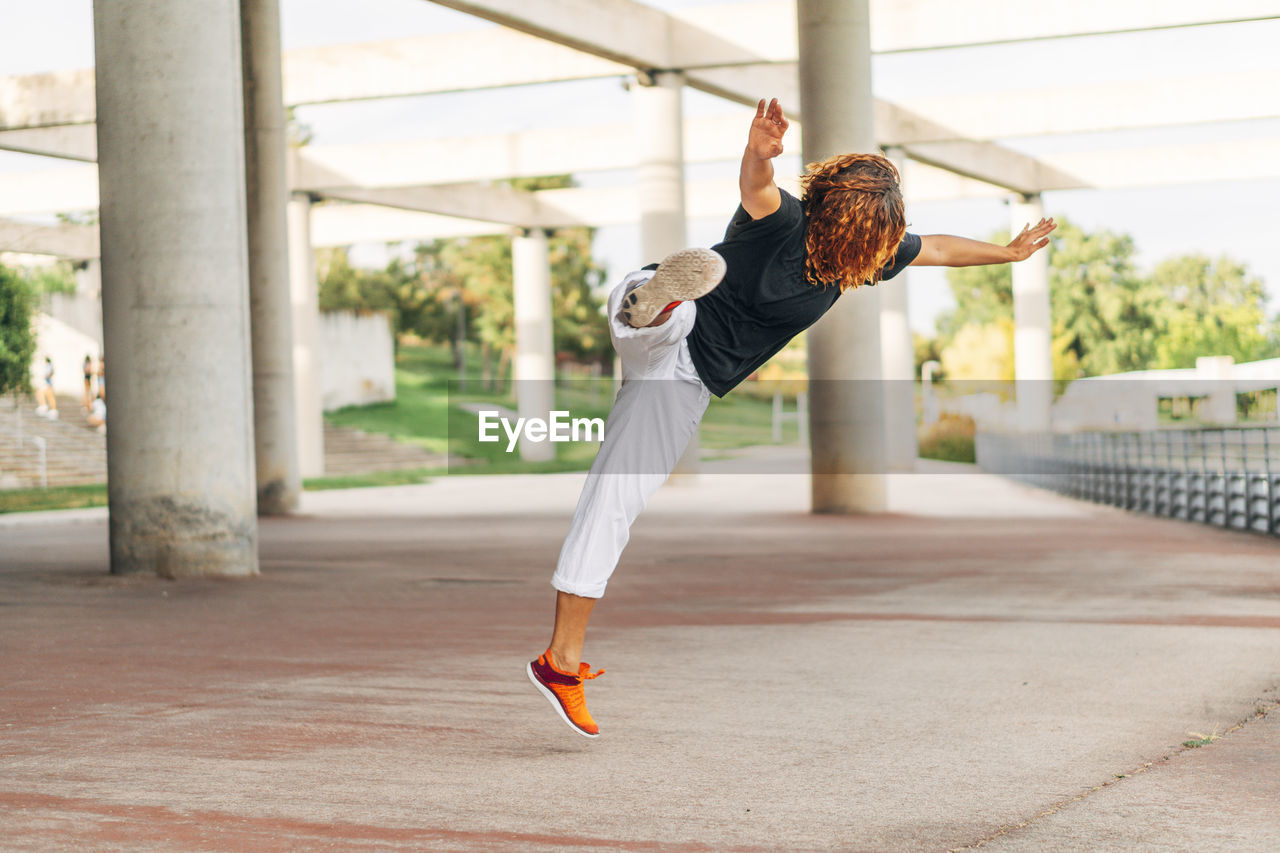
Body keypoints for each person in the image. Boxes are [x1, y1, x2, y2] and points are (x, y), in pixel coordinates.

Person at [526, 98, 1057, 738]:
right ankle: (654, 302)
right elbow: (757, 187)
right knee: (617, 482)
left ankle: (649, 304)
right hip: (685, 348)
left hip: (678, 372)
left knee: (620, 473)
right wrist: (756, 151)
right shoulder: (782, 221)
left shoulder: (866, 257)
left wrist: (1007, 253)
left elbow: (939, 248)